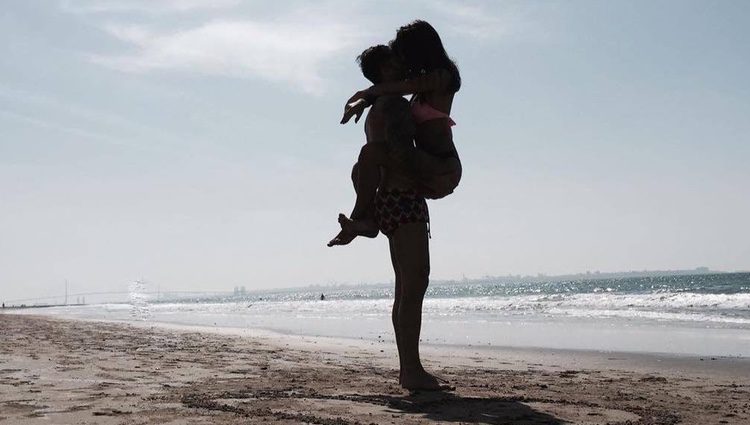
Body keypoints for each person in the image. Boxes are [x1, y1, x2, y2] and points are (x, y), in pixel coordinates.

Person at [330, 44, 451, 391]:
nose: (403, 62)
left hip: (387, 200)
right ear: (384, 70)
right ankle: (411, 371)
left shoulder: (377, 107)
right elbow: (399, 152)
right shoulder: (395, 106)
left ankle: (409, 369)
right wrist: (430, 171)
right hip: (403, 198)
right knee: (415, 285)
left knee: (404, 289)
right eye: (395, 60)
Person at [335, 20, 462, 242]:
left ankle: (360, 222)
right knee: (359, 170)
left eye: (403, 54)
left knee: (370, 154)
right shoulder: (417, 91)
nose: (403, 61)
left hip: (442, 166)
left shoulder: (443, 77)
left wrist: (364, 95)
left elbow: (397, 87)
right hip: (423, 164)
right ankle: (367, 221)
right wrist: (365, 101)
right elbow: (393, 89)